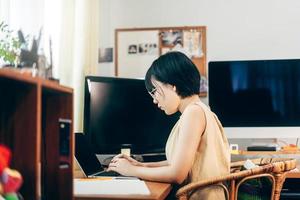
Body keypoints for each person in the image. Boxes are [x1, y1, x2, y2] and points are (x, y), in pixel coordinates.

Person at [108, 51, 230, 199]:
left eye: (155, 91)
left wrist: (131, 170)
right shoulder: (199, 110)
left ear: (172, 85)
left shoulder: (193, 113)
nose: (154, 100)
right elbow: (177, 162)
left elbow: (177, 174)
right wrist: (141, 165)